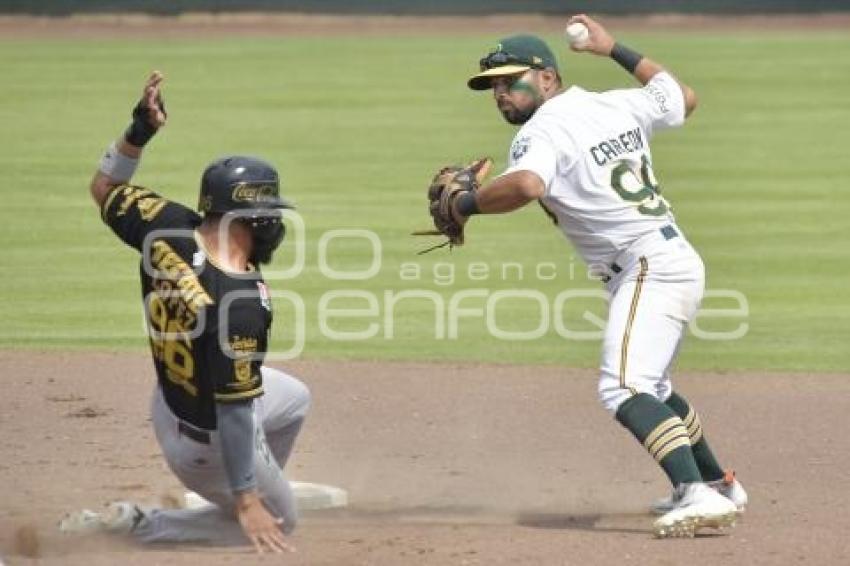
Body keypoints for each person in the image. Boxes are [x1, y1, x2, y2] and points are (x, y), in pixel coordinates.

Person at [451, 15, 747, 537]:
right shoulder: (613, 101)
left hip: (646, 267)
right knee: (652, 384)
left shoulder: (540, 131)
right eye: (494, 87)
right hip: (672, 260)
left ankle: (699, 495)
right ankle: (715, 483)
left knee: (623, 387)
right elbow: (683, 97)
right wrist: (613, 50)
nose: (501, 94)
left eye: (510, 81)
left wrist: (466, 204)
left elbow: (525, 185)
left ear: (546, 77)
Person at [59, 71, 311, 554]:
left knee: (294, 398)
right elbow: (235, 412)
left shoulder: (166, 225)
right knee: (280, 520)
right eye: (269, 214)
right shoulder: (241, 302)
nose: (275, 224)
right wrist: (245, 498)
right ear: (246, 218)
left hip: (170, 399)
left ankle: (253, 477)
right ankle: (148, 523)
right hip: (206, 442)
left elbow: (104, 185)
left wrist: (139, 133)